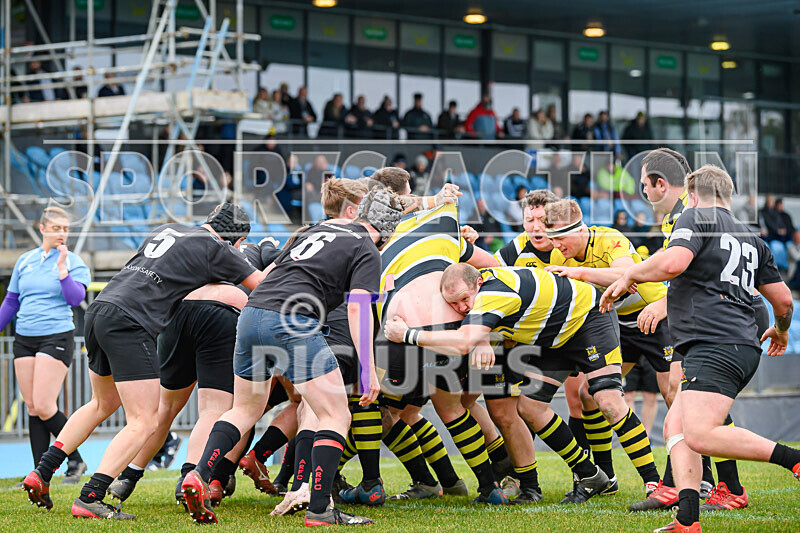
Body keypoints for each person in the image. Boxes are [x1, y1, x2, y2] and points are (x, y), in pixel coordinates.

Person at [23, 203, 267, 520]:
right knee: (144, 420)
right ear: (237, 241)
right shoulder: (220, 249)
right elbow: (263, 288)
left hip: (101, 308)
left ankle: (41, 472)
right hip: (131, 322)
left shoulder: (165, 228)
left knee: (100, 403)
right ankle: (91, 497)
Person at [181, 188, 404, 526]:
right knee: (335, 414)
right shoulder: (366, 248)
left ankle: (199, 473)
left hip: (253, 313)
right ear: (387, 231)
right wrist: (368, 370)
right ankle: (320, 509)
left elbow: (268, 274)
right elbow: (359, 308)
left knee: (244, 409)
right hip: (294, 320)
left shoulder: (316, 228)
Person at [601, 164, 799, 533]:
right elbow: (784, 301)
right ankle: (687, 520)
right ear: (728, 195)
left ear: (692, 195)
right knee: (677, 426)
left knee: (698, 433)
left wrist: (631, 273)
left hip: (714, 343)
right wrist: (783, 331)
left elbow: (674, 263)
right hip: (737, 344)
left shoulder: (694, 215)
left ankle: (795, 460)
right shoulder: (752, 237)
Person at [385, 262, 632, 505]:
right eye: (454, 303)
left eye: (464, 299)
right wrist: (479, 334)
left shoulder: (485, 266)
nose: (462, 307)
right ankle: (516, 471)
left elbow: (485, 288)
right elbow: (482, 287)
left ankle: (528, 481)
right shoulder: (515, 247)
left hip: (530, 341)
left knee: (507, 412)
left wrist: (409, 334)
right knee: (472, 404)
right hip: (501, 339)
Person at [633, 147, 757, 512]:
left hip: (710, 320)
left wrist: (659, 300)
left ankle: (720, 484)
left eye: (644, 186)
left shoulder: (688, 216)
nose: (643, 193)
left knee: (690, 397)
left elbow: (685, 268)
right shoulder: (680, 216)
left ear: (660, 184)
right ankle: (692, 483)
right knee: (681, 395)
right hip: (711, 317)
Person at [542, 199, 678, 495]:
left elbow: (627, 276)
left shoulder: (608, 238)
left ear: (579, 230)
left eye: (560, 237)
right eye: (551, 238)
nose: (556, 245)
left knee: (674, 394)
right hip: (616, 324)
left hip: (655, 315)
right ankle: (607, 475)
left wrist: (581, 274)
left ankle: (697, 476)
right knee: (588, 395)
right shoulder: (558, 252)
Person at [0, 207, 89, 483]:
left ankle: (75, 459)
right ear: (43, 228)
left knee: (45, 404)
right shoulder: (25, 261)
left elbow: (75, 299)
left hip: (56, 335)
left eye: (66, 229)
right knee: (32, 406)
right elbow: (11, 301)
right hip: (25, 337)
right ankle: (40, 473)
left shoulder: (74, 261)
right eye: (57, 228)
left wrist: (62, 269)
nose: (62, 233)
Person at [623, 357, 660, 437]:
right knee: (627, 396)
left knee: (651, 396)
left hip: (649, 354)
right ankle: (633, 435)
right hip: (629, 352)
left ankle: (647, 436)